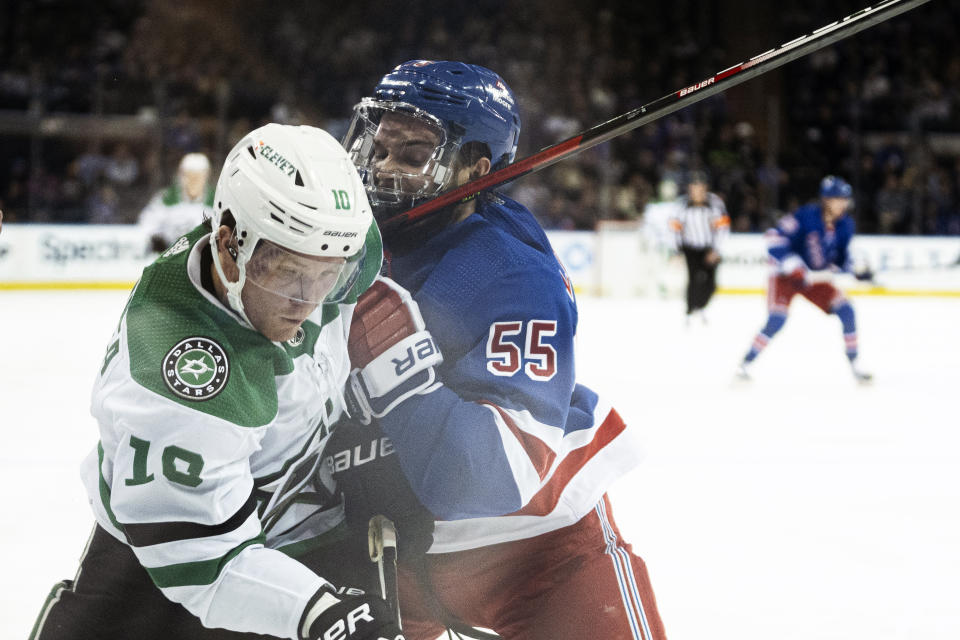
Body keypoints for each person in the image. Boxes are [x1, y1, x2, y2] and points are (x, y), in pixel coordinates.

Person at [30, 124, 404, 640]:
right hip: (156, 563)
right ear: (228, 242)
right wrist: (321, 613)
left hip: (288, 522)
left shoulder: (312, 247)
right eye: (288, 273)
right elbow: (207, 563)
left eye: (328, 276)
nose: (310, 302)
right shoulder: (180, 383)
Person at [334, 60, 668, 640]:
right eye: (379, 148)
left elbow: (495, 477)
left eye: (413, 157)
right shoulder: (348, 236)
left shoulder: (511, 275)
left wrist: (398, 373)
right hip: (388, 554)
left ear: (474, 169)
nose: (384, 169)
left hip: (537, 559)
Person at [737, 175, 873, 383]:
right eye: (838, 199)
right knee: (777, 319)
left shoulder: (846, 225)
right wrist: (794, 266)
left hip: (815, 280)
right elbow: (774, 239)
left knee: (847, 310)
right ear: (826, 200)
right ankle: (746, 363)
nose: (843, 204)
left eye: (845, 199)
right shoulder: (805, 216)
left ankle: (855, 364)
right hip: (785, 277)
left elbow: (841, 259)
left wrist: (855, 270)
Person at [669, 170, 729, 323]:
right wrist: (676, 251)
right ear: (689, 189)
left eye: (700, 187)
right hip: (690, 248)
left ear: (705, 188)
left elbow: (723, 228)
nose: (697, 191)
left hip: (708, 247)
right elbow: (674, 229)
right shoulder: (681, 205)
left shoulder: (715, 203)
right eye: (694, 187)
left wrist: (716, 250)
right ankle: (690, 310)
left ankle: (700, 306)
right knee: (694, 279)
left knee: (711, 283)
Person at [138, 152, 215, 253]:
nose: (193, 181)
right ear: (181, 176)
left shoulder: (217, 200)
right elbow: (147, 223)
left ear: (206, 177)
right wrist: (158, 240)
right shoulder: (165, 198)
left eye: (198, 176)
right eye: (189, 176)